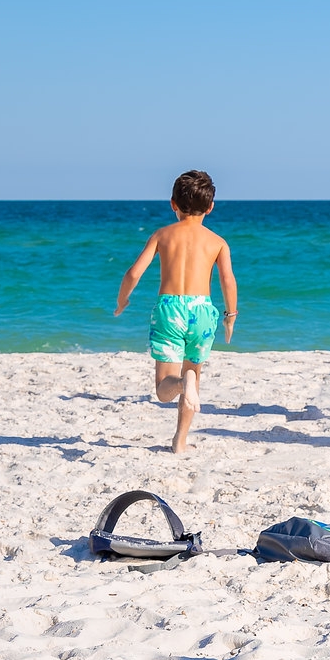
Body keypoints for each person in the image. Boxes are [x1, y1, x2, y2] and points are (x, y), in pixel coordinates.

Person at [114, 170, 238, 453]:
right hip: (202, 310)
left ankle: (182, 383)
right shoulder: (218, 242)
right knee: (194, 371)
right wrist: (230, 316)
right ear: (210, 207)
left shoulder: (162, 235)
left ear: (173, 204)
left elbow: (134, 273)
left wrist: (122, 301)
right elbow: (227, 280)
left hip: (170, 309)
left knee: (163, 389)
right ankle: (180, 441)